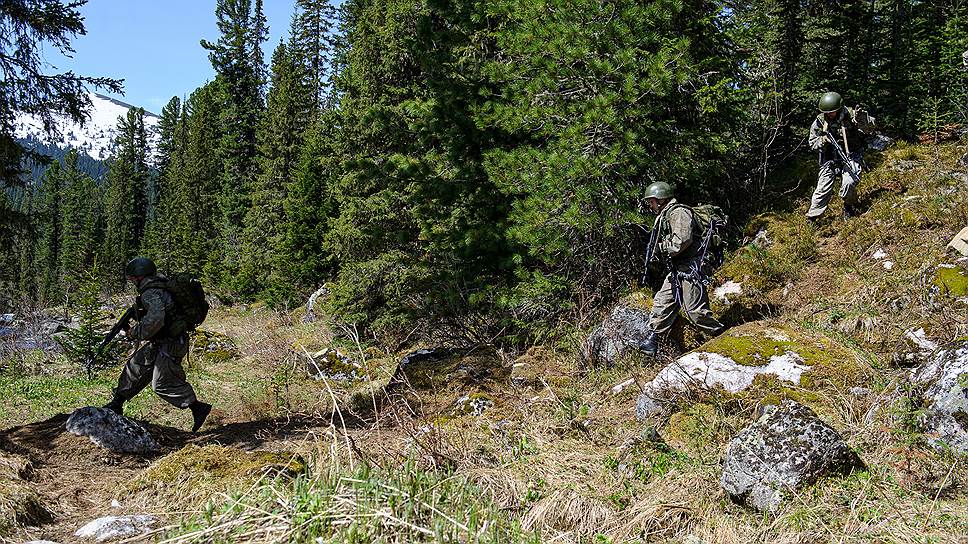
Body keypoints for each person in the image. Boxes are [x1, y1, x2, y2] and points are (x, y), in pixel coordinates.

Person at [103, 257, 211, 432]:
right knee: (135, 366)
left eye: (132, 279)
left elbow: (156, 319)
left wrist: (134, 333)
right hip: (162, 341)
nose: (132, 282)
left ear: (139, 276)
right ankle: (117, 404)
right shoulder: (159, 286)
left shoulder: (150, 292)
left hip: (171, 342)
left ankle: (198, 407)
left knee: (162, 384)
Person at [640, 182, 724, 356]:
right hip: (678, 268)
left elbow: (681, 242)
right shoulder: (665, 215)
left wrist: (661, 248)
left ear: (661, 199)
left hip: (691, 267)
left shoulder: (679, 212)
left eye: (652, 201)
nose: (650, 205)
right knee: (662, 302)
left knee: (695, 311)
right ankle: (653, 341)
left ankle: (722, 334)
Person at [806, 91, 872, 220]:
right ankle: (813, 216)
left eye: (832, 111)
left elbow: (869, 128)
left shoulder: (852, 116)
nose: (830, 114)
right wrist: (823, 141)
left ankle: (849, 206)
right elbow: (812, 142)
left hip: (851, 155)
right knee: (821, 189)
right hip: (829, 158)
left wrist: (862, 118)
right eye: (827, 112)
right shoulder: (819, 122)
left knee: (849, 182)